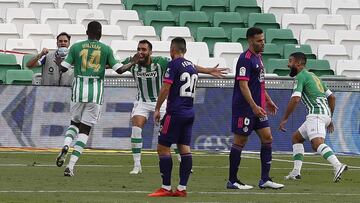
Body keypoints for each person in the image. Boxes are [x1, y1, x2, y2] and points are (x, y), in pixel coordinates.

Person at [119, 40, 227, 175]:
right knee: (136, 128)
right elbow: (115, 66)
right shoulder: (132, 61)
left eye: (144, 50)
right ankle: (137, 165)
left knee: (171, 131)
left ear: (150, 52)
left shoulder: (161, 62)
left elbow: (185, 65)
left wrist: (208, 70)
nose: (141, 52)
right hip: (142, 101)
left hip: (161, 102)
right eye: (139, 49)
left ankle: (182, 160)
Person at [148, 37, 227, 197]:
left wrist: (157, 108)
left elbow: (165, 88)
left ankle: (166, 187)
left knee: (163, 147)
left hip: (175, 112)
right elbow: (195, 67)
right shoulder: (190, 65)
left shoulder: (173, 64)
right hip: (189, 112)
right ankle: (182, 188)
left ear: (172, 49)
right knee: (184, 147)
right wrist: (209, 70)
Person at [55, 21, 129, 176]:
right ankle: (71, 166)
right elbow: (120, 70)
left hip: (78, 90)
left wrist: (59, 63)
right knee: (85, 130)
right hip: (95, 93)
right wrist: (133, 62)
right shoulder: (106, 49)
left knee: (74, 123)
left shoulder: (76, 46)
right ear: (100, 33)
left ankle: (66, 145)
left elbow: (63, 68)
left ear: (87, 32)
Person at [227, 27, 284, 190]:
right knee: (240, 141)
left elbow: (258, 84)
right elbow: (243, 85)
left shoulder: (258, 58)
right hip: (245, 108)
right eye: (259, 40)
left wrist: (268, 100)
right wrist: (253, 106)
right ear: (250, 41)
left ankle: (265, 179)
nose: (263, 43)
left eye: (263, 40)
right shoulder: (244, 59)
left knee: (268, 138)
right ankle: (232, 180)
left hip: (258, 108)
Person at [279, 52, 348, 182]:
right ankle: (296, 172)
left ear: (298, 63)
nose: (288, 64)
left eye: (290, 61)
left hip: (316, 114)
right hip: (324, 113)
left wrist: (285, 119)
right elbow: (332, 97)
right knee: (296, 138)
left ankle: (337, 165)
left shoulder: (301, 76)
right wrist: (330, 118)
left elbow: (295, 99)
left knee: (317, 144)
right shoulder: (314, 76)